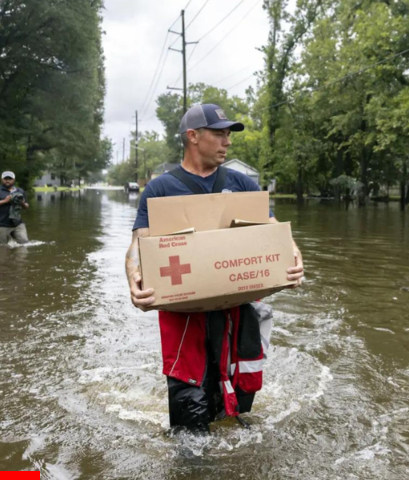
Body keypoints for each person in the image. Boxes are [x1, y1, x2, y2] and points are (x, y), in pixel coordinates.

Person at [124, 104, 305, 433]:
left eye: (228, 134)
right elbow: (138, 244)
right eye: (220, 134)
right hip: (183, 316)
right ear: (193, 136)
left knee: (233, 407)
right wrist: (134, 279)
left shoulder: (241, 184)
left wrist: (293, 256)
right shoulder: (160, 189)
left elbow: (274, 229)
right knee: (190, 418)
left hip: (234, 310)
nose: (228, 142)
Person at [0, 171, 30, 245]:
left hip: (17, 223)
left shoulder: (20, 191)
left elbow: (26, 206)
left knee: (24, 245)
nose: (7, 180)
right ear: (1, 179)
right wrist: (5, 201)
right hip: (1, 224)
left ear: (14, 180)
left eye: (10, 178)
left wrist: (22, 203)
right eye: (5, 178)